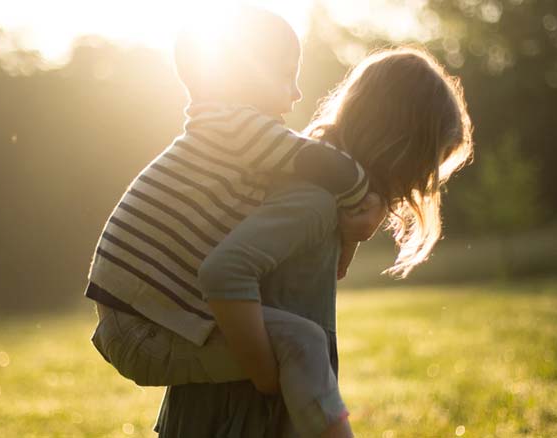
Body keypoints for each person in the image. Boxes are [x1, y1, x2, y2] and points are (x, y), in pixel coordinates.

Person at [86, 5, 383, 437]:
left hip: (139, 321)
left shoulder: (221, 133)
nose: (297, 93)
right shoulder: (235, 126)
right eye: (285, 75)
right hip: (144, 328)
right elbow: (324, 164)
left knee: (291, 342)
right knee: (303, 342)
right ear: (243, 75)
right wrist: (364, 206)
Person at [156, 47, 474, 437]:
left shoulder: (327, 198)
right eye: (430, 163)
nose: (423, 182)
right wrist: (267, 377)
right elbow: (226, 271)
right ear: (401, 147)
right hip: (239, 411)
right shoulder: (314, 200)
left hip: (255, 403)